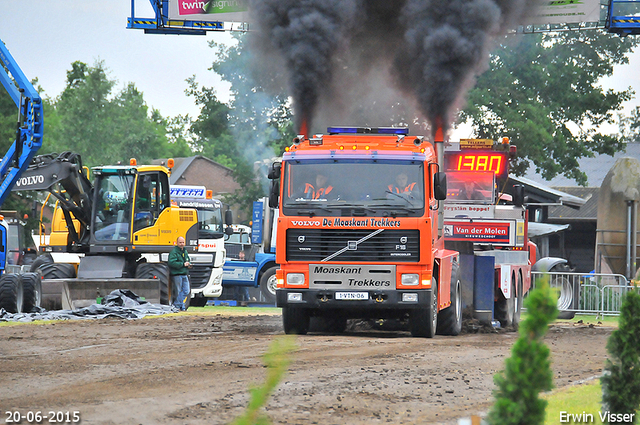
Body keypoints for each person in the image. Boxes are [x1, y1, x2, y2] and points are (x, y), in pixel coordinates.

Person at [168, 236, 192, 311]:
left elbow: (188, 260)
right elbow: (171, 263)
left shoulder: (185, 251)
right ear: (177, 243)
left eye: (183, 242)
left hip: (184, 274)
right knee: (178, 291)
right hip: (177, 274)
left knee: (186, 291)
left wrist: (189, 264)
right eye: (180, 242)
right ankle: (181, 306)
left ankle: (177, 305)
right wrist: (182, 264)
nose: (182, 244)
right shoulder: (174, 252)